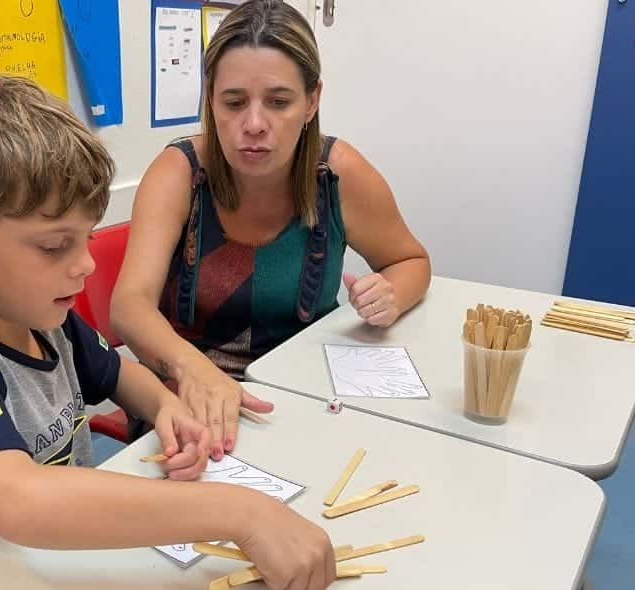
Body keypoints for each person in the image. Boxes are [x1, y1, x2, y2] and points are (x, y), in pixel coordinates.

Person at [0, 74, 336, 590]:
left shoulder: (41, 318)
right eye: (55, 246)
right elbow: (18, 501)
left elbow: (119, 371)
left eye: (87, 239)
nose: (83, 266)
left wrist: (167, 407)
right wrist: (240, 512)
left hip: (57, 569)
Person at [111, 0, 431, 459]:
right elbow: (128, 307)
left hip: (306, 398)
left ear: (312, 101)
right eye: (234, 102)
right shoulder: (178, 173)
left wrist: (392, 295)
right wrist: (196, 371)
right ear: (210, 98)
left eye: (279, 102)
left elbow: (411, 260)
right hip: (187, 400)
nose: (254, 124)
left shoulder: (338, 174)